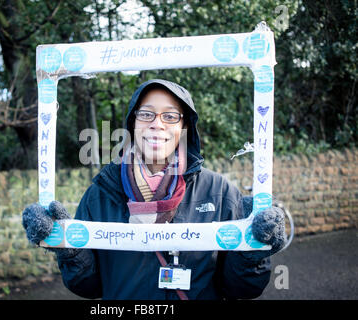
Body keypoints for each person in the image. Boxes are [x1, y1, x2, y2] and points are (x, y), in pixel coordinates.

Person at [22, 79, 287, 300]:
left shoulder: (218, 191)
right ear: (133, 123)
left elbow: (242, 288)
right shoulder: (102, 193)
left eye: (170, 116)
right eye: (146, 114)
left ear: (184, 127)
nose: (157, 124)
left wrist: (253, 251)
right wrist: (69, 247)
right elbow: (88, 288)